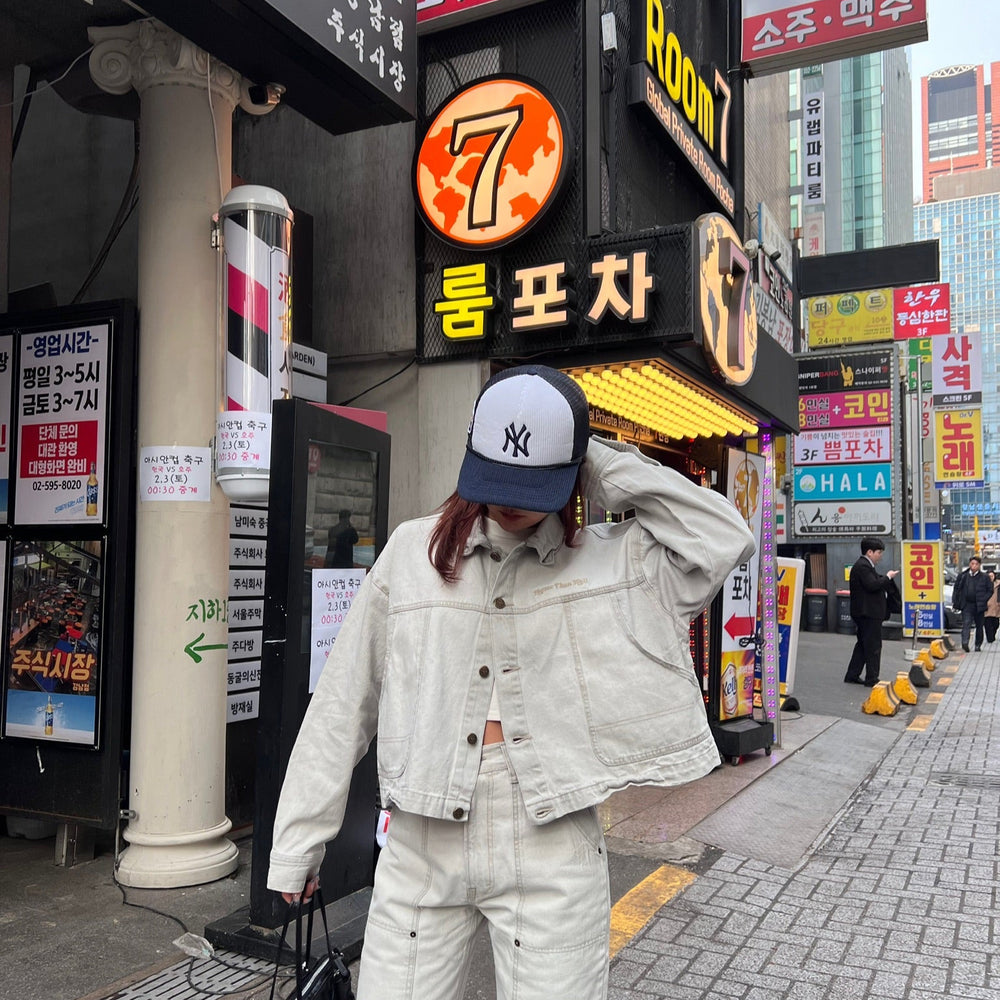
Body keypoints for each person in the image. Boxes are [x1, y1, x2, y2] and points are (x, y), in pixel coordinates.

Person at [267, 364, 755, 1000]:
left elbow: (724, 537)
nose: (511, 500)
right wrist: (298, 840)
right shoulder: (411, 555)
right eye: (496, 477)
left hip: (550, 841)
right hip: (421, 843)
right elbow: (343, 703)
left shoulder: (613, 560)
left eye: (533, 483)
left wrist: (593, 463)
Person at [844, 537, 899, 687]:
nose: (880, 556)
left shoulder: (865, 566)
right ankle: (872, 678)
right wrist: (888, 577)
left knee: (863, 644)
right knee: (873, 645)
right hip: (868, 613)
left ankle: (852, 674)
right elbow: (872, 585)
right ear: (869, 552)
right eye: (879, 552)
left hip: (865, 613)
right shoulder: (863, 566)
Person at [954, 556, 993, 651]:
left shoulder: (985, 577)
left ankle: (978, 644)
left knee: (979, 626)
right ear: (969, 564)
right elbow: (957, 589)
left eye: (976, 564)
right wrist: (956, 601)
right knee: (966, 624)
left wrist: (984, 599)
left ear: (979, 565)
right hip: (967, 604)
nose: (974, 566)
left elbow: (990, 590)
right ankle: (965, 643)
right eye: (972, 564)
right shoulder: (963, 576)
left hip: (979, 605)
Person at [984, 571, 1000, 645]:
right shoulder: (983, 584)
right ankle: (990, 638)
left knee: (996, 623)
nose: (991, 577)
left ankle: (992, 635)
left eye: (992, 576)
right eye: (989, 576)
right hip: (987, 606)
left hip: (996, 606)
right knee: (987, 623)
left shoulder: (998, 584)